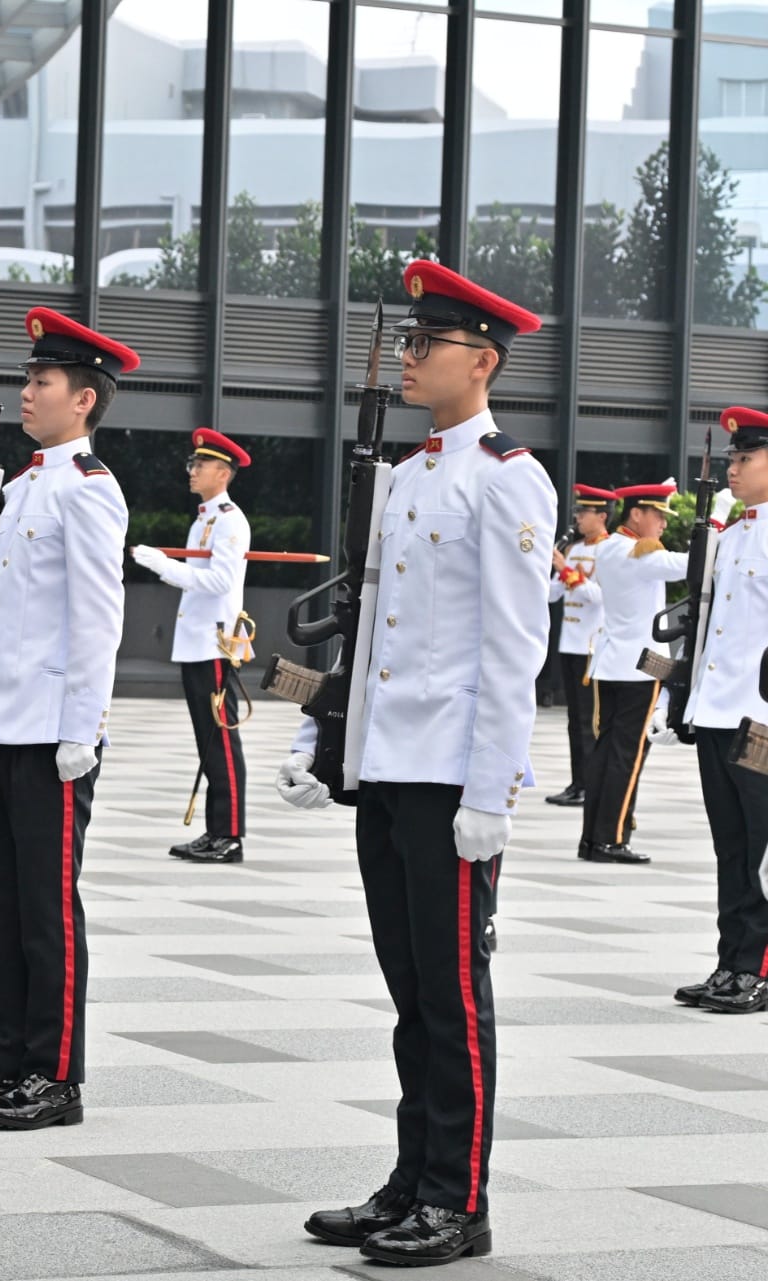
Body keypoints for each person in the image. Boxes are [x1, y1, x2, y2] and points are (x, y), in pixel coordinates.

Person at [277, 261, 555, 1267]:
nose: (406, 354)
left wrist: (493, 790)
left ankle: (459, 1199)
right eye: (406, 340)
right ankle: (410, 1181)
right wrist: (323, 737)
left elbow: (511, 649)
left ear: (481, 360)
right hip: (390, 767)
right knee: (410, 992)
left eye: (425, 343)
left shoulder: (506, 477)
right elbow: (370, 633)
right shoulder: (408, 476)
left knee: (452, 995)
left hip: (450, 777)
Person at [0, 307, 129, 1131]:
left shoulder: (90, 491)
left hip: (53, 733)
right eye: (26, 378)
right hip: (1, 725)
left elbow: (98, 617)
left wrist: (81, 729)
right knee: (2, 903)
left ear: (82, 399)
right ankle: (11, 1057)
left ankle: (56, 1073)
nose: (25, 391)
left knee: (48, 911)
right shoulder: (16, 486)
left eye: (40, 381)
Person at [676, 407, 768, 1014]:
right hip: (717, 712)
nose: (732, 469)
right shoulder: (730, 536)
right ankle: (730, 960)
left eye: (745, 458)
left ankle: (755, 967)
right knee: (731, 846)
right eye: (732, 459)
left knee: (763, 848)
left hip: (761, 718)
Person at [132, 427, 252, 864]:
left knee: (221, 740)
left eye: (199, 465)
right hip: (198, 642)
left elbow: (220, 580)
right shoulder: (205, 519)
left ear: (223, 472)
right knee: (208, 741)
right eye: (193, 463)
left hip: (215, 643)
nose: (192, 470)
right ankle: (216, 830)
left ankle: (231, 835)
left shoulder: (230, 520)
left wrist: (166, 567)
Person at [576, 481, 688, 864]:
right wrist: (717, 528)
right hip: (641, 669)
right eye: (658, 515)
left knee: (606, 752)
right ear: (636, 513)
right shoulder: (642, 555)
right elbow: (691, 565)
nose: (661, 524)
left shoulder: (608, 548)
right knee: (628, 755)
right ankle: (612, 839)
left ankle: (592, 839)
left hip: (611, 663)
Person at [543, 485, 614, 807]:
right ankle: (577, 782)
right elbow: (553, 594)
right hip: (569, 644)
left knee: (588, 720)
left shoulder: (609, 550)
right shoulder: (572, 549)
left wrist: (566, 571)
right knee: (574, 720)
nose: (578, 518)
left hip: (590, 646)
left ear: (601, 516)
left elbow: (598, 597)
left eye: (583, 513)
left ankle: (590, 784)